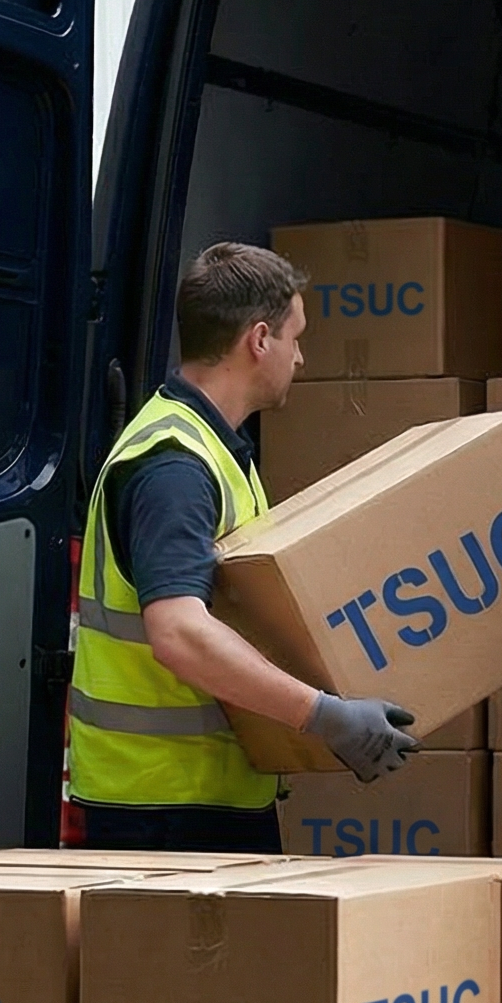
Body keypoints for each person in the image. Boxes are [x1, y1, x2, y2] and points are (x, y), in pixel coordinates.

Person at [67, 242, 417, 851]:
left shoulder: (211, 446)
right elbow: (179, 632)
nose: (300, 357)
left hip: (198, 796)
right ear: (259, 340)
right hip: (164, 810)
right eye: (295, 338)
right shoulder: (174, 466)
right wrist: (325, 715)